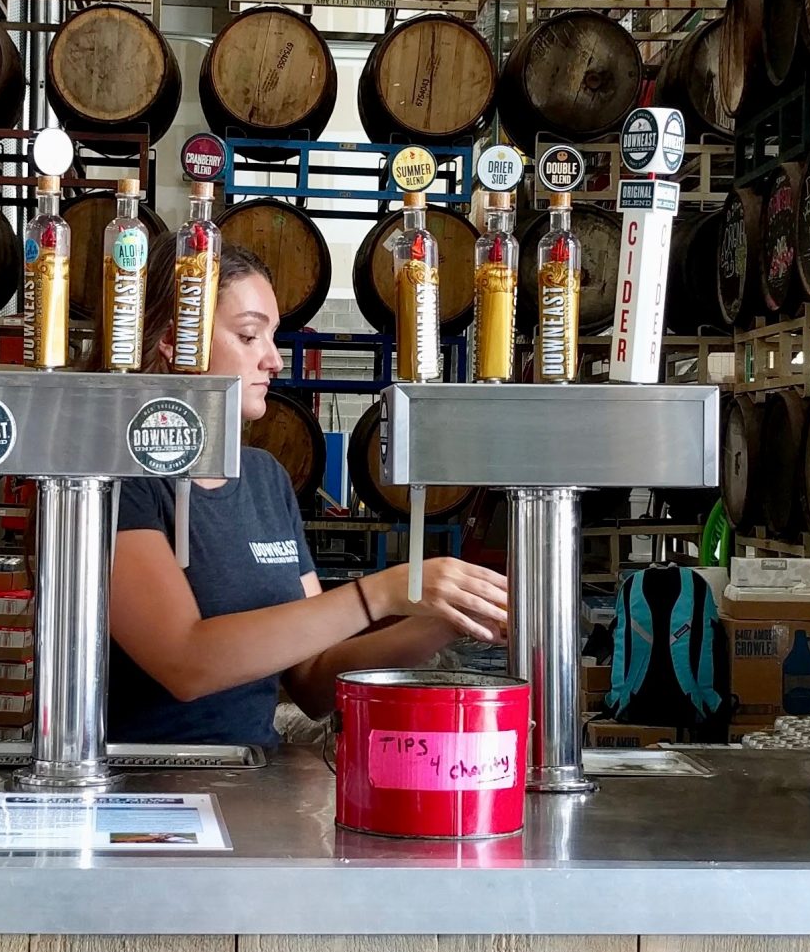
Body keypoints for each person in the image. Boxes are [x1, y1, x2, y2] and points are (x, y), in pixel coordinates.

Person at [105, 242, 512, 746]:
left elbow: (315, 682)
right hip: (140, 781)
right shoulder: (119, 481)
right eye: (249, 335)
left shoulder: (264, 478)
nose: (273, 360)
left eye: (272, 337)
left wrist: (451, 616)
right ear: (176, 339)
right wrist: (382, 592)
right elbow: (186, 663)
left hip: (246, 776)